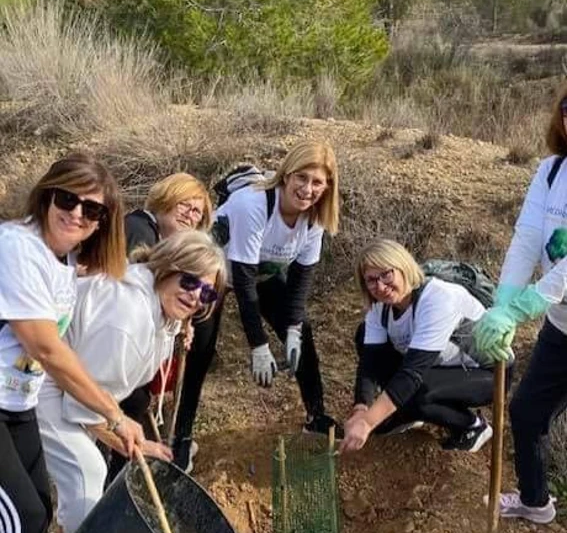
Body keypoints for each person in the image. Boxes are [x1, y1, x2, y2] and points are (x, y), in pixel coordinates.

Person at [36, 230, 226, 533]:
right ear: (168, 267)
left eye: (208, 295)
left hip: (71, 388)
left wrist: (134, 437)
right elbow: (80, 408)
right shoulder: (127, 317)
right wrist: (127, 438)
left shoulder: (160, 310)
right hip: (43, 383)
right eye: (191, 282)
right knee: (86, 477)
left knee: (86, 475)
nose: (197, 297)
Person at [0, 152, 144, 533]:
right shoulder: (17, 247)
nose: (79, 214)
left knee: (28, 516)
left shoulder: (63, 265)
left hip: (16, 406)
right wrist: (112, 412)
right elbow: (43, 346)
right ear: (47, 195)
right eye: (69, 199)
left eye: (94, 211)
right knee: (28, 519)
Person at [473, 84, 567, 527]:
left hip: (552, 305)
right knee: (527, 411)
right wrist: (502, 302)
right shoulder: (551, 171)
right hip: (562, 327)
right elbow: (527, 239)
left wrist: (520, 308)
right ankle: (535, 501)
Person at [214, 138, 340, 434]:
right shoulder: (254, 204)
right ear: (286, 174)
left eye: (317, 183)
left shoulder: (315, 218)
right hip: (216, 272)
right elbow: (243, 285)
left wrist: (292, 330)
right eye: (301, 177)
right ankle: (181, 436)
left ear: (327, 187)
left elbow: (300, 282)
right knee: (199, 348)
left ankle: (316, 416)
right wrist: (259, 345)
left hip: (261, 273)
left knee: (303, 331)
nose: (307, 189)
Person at [341, 239, 501, 455]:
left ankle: (471, 425)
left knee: (416, 392)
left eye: (386, 274)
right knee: (365, 336)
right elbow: (370, 362)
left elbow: (412, 373)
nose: (380, 286)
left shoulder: (437, 298)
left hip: (488, 373)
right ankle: (407, 414)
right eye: (371, 280)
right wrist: (361, 408)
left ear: (403, 266)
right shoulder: (380, 307)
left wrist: (368, 423)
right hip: (438, 366)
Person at [121, 173, 217, 471]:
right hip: (114, 338)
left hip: (132, 342)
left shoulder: (158, 236)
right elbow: (137, 288)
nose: (190, 214)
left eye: (197, 211)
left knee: (136, 397)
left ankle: (136, 454)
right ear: (164, 199)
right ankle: (130, 462)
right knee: (131, 399)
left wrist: (183, 322)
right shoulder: (139, 227)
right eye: (183, 204)